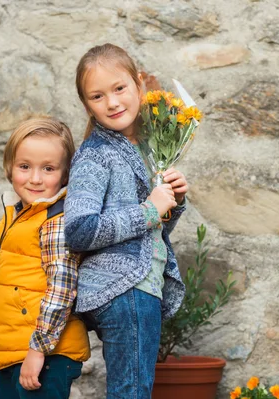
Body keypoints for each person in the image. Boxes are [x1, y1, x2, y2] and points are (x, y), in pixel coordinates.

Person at [65, 43, 188, 398]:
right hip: (123, 288)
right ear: (87, 104)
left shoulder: (147, 146)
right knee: (130, 392)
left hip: (141, 285)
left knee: (134, 390)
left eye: (119, 89)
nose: (113, 102)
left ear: (138, 84)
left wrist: (173, 202)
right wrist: (150, 209)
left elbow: (150, 232)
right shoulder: (96, 155)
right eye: (98, 96)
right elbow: (80, 230)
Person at [0, 118, 90, 399]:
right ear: (10, 168)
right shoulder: (16, 216)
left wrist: (38, 349)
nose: (35, 178)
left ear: (65, 174)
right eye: (24, 166)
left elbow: (62, 287)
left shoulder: (55, 220)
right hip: (15, 352)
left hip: (44, 354)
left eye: (48, 168)